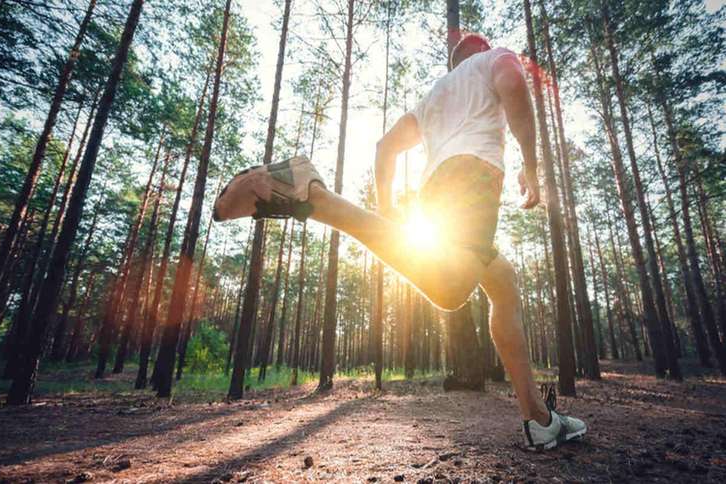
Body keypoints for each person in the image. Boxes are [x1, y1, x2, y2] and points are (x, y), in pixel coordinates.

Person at [213, 33, 586, 451]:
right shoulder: (494, 58)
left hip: (436, 190)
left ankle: (539, 418)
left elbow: (385, 147)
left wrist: (386, 212)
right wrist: (531, 166)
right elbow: (513, 82)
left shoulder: (438, 93)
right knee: (451, 288)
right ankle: (316, 199)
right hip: (474, 177)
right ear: (481, 51)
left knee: (503, 280)